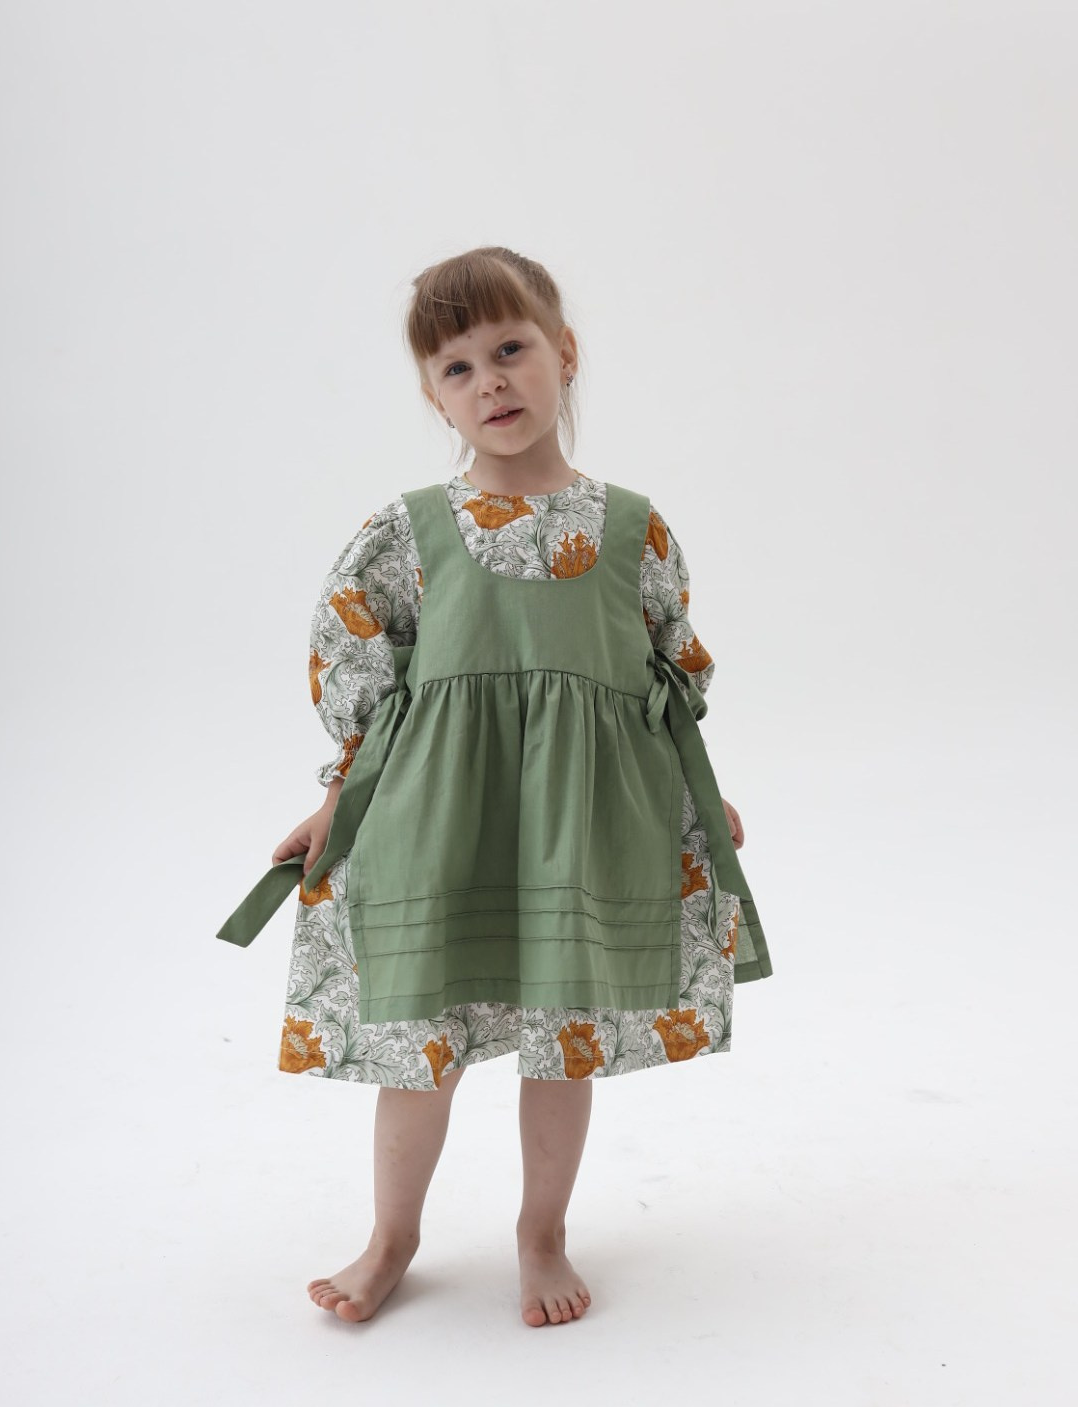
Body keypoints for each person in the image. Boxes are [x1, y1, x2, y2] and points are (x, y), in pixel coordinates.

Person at [217, 245, 773, 1329]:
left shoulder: (632, 529)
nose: (492, 383)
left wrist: (696, 796)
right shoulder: (408, 532)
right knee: (420, 1051)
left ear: (564, 353)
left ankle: (542, 1233)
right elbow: (362, 673)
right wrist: (337, 799)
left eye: (511, 350)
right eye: (458, 368)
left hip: (579, 829)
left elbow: (665, 674)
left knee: (562, 1040)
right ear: (435, 395)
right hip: (442, 823)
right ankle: (392, 1237)